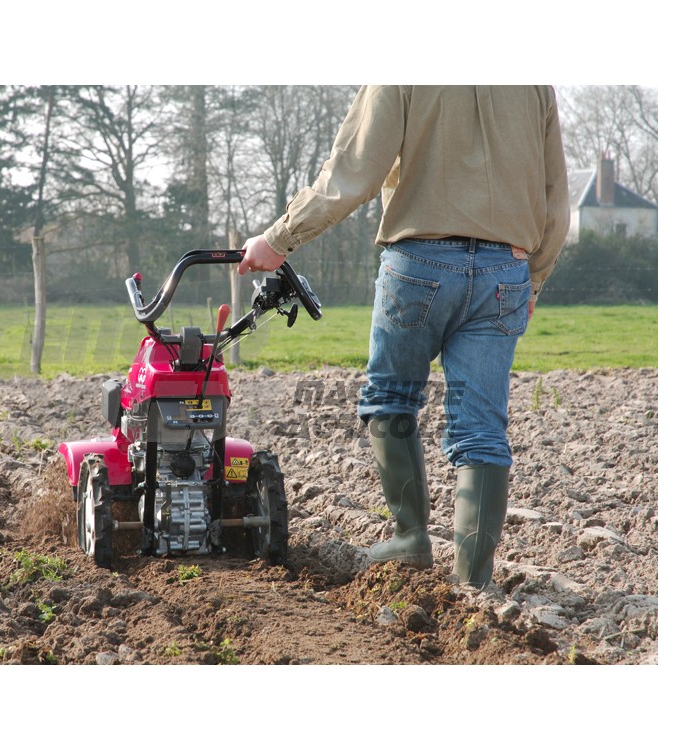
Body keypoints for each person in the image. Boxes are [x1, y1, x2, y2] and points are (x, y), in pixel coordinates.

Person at [237, 86, 570, 590]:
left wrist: (280, 238)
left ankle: (410, 536)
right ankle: (472, 584)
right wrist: (534, 279)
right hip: (508, 268)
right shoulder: (534, 82)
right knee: (481, 428)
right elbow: (555, 200)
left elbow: (355, 172)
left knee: (390, 398)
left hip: (419, 263)